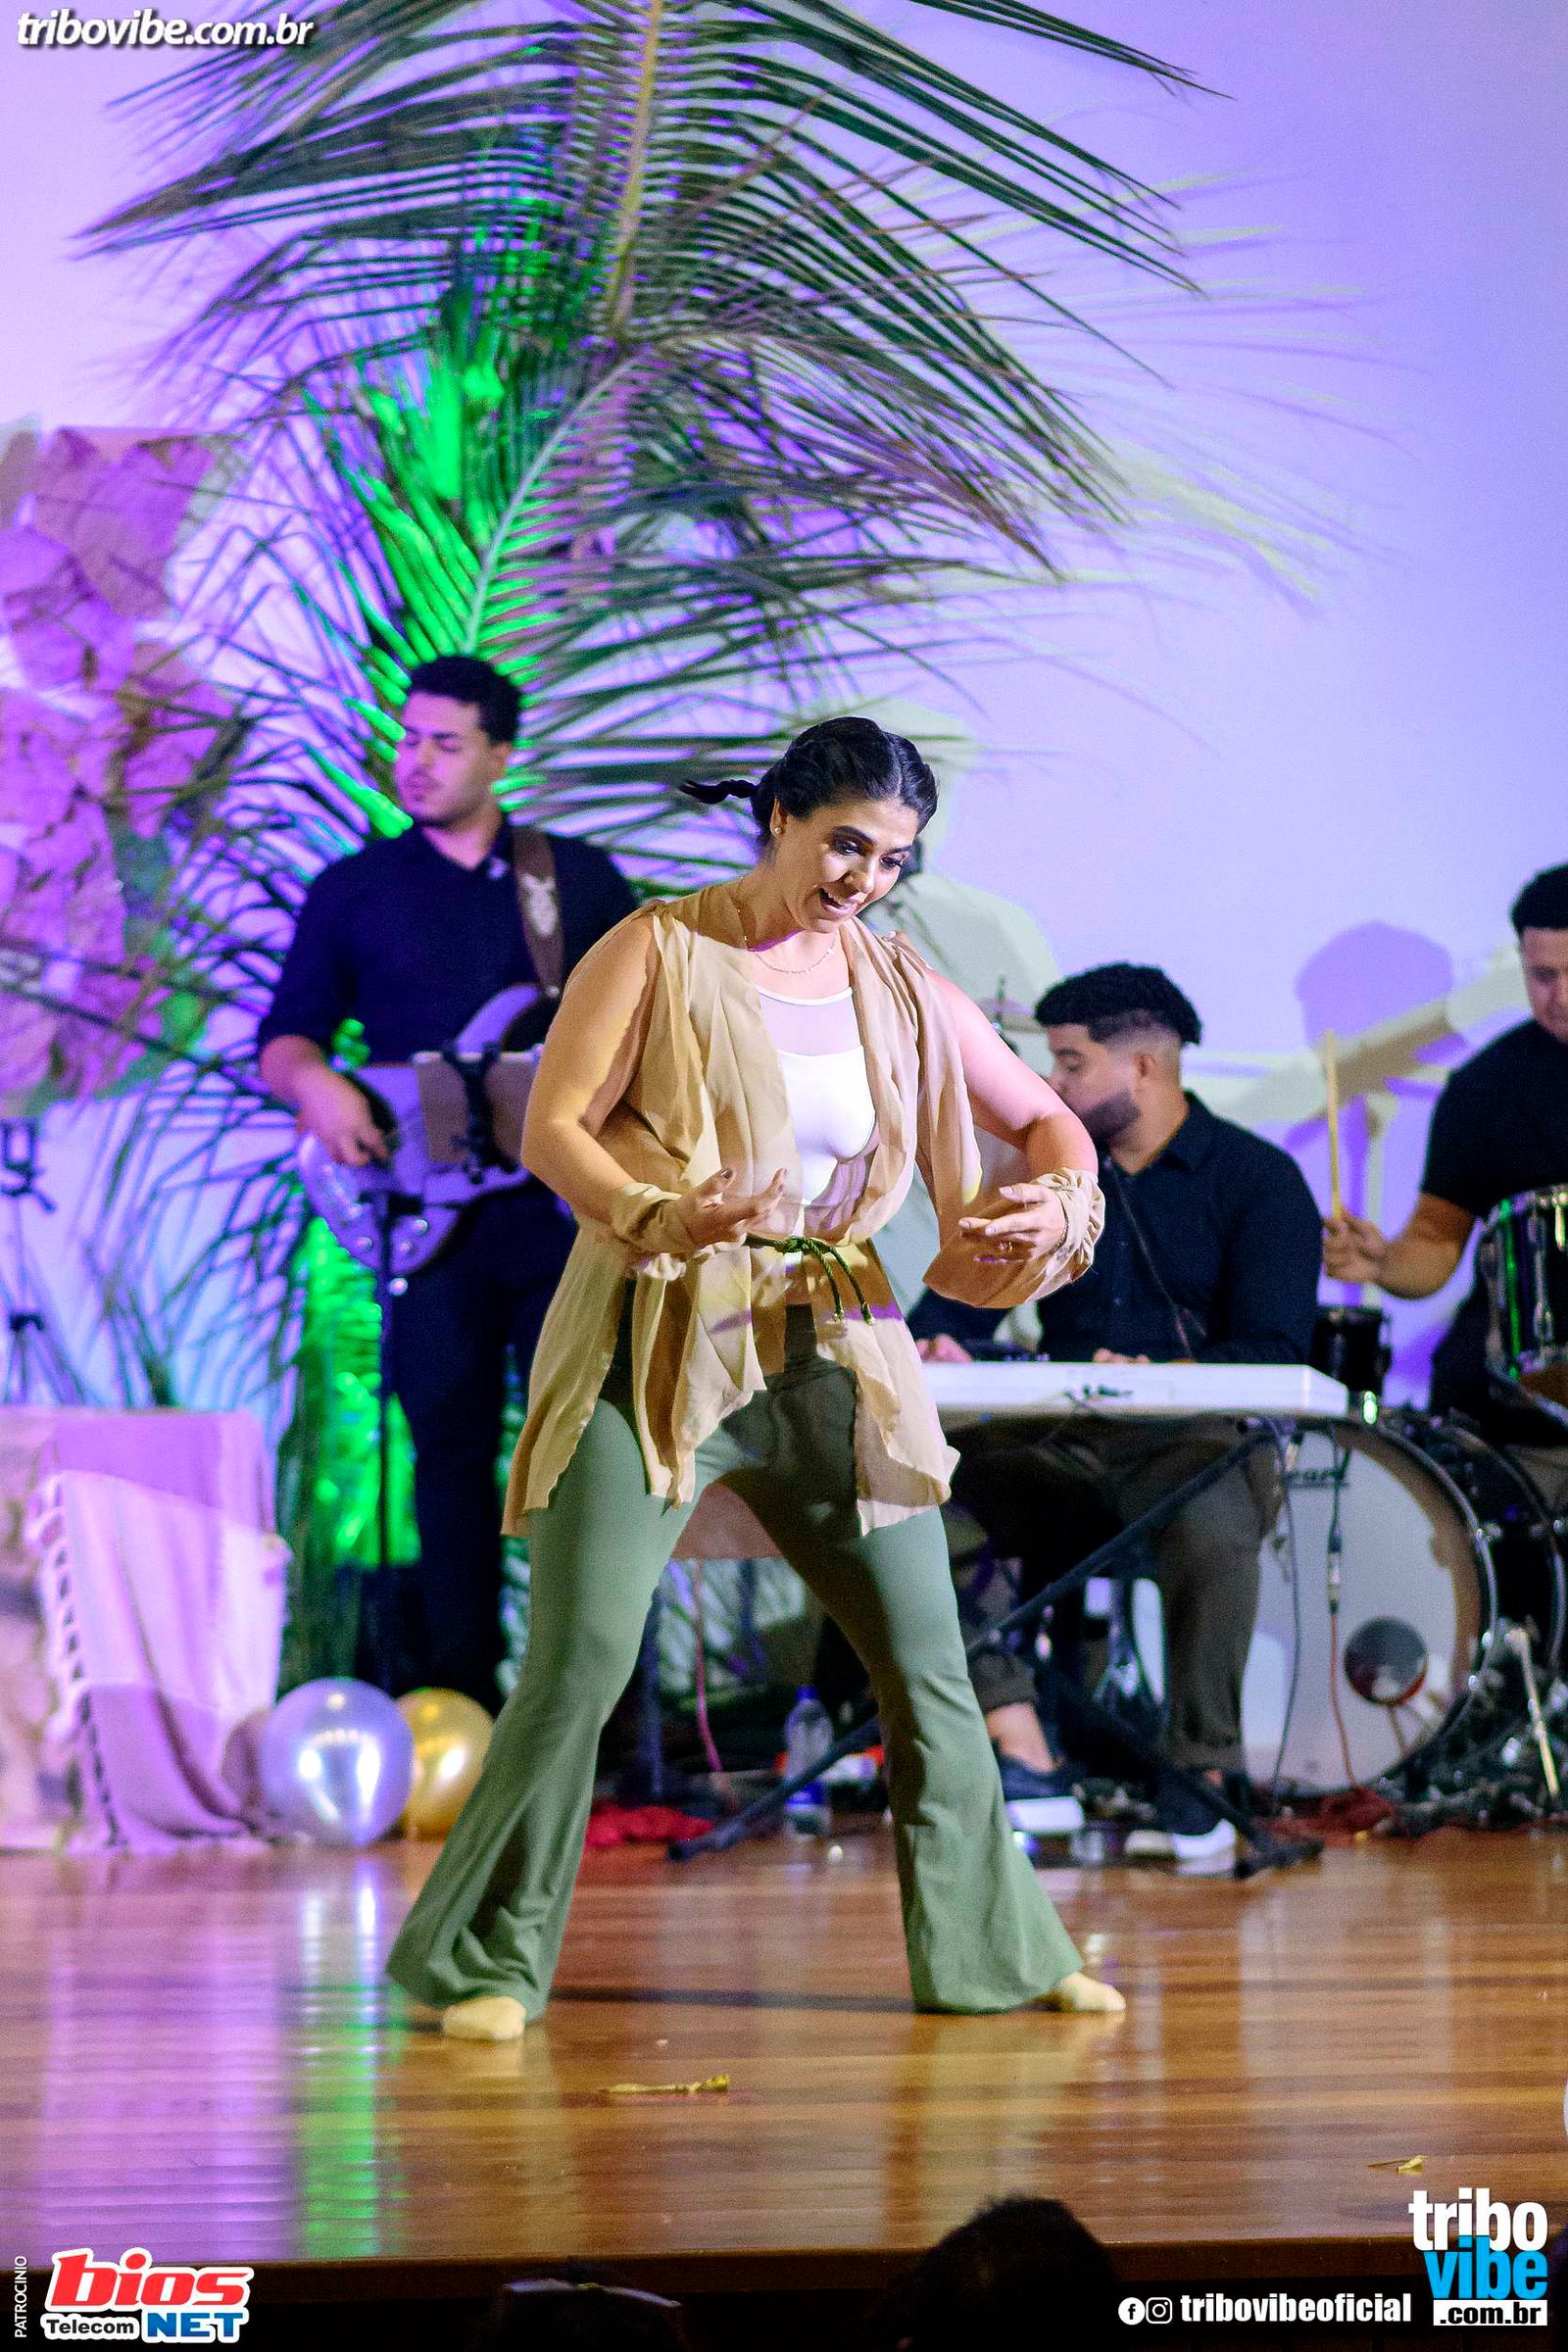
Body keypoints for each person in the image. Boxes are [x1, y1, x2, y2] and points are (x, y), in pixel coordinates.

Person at [386, 715, 1123, 2039]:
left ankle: (1000, 1957)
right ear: (779, 815)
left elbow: (1040, 1114)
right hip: (656, 1328)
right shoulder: (659, 949)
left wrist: (1062, 1194)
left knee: (930, 1660)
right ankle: (483, 1961)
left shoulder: (899, 983)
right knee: (581, 1658)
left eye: (891, 859)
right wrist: (657, 1213)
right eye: (846, 844)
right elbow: (553, 1128)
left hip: (835, 1341)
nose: (864, 879)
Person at [258, 655, 636, 1706]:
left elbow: (653, 1027)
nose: (416, 760)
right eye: (408, 737)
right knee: (445, 1454)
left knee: (583, 1454)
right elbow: (285, 1037)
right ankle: (461, 1697)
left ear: (499, 756)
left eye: (445, 743)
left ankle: (587, 1704)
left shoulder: (574, 880)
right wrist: (319, 1088)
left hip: (561, 1219)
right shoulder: (356, 886)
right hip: (425, 1224)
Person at [907, 963, 1322, 1860]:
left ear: (1143, 1067)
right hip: (1060, 1450)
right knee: (912, 1490)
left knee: (1211, 1518)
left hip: (1192, 1448)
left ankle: (1203, 1773)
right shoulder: (1043, 1179)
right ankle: (1021, 1743)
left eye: (1070, 1064)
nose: (1049, 1085)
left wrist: (1166, 1371)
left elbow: (1276, 1348)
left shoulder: (1258, 1180)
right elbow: (939, 1321)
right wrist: (941, 1344)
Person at [1325, 862, 1568, 1494]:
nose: (1561, 996)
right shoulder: (1487, 1086)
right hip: (1518, 1410)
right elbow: (1436, 1240)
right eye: (1543, 976)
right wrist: (1384, 1261)